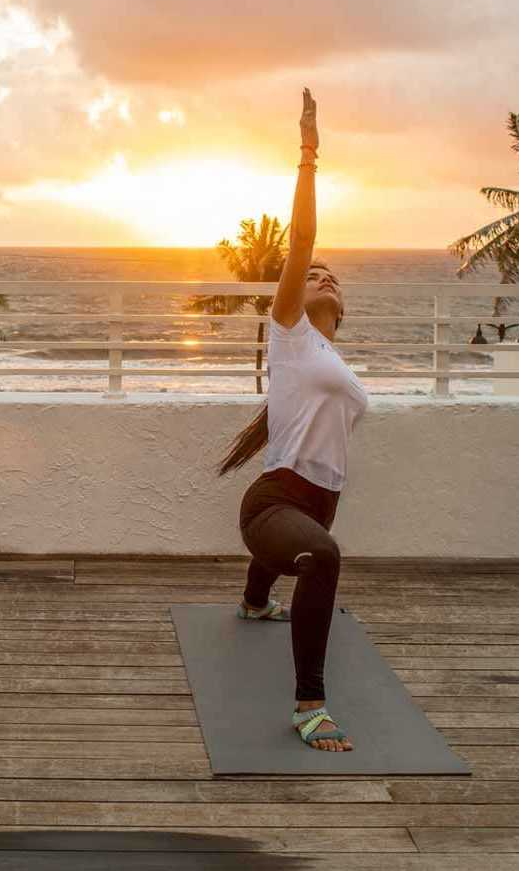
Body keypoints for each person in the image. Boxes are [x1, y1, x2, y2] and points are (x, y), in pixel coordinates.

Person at [218, 88, 368, 752]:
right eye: (316, 274)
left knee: (309, 548)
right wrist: (309, 150)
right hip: (272, 503)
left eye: (333, 277)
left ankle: (255, 600)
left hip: (313, 500)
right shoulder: (291, 335)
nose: (323, 276)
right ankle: (311, 703)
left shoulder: (333, 360)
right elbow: (302, 238)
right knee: (324, 556)